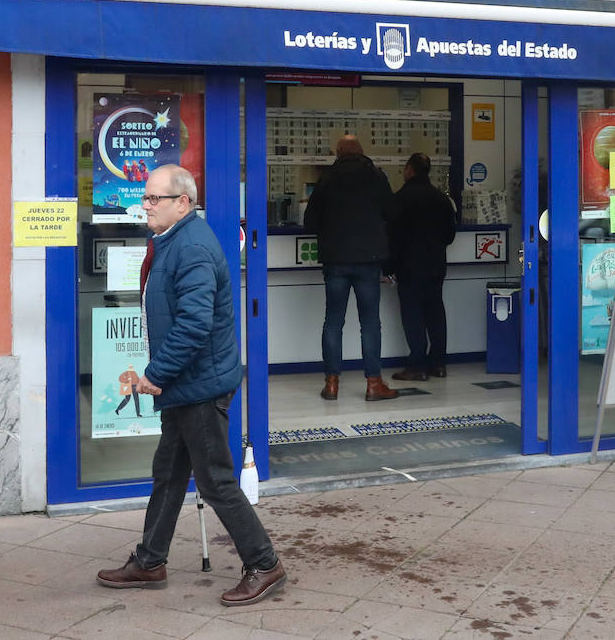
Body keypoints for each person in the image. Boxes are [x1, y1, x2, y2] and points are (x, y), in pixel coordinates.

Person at [96, 165, 286, 607]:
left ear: (183, 202)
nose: (145, 206)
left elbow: (194, 323)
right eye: (145, 198)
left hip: (198, 385)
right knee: (168, 474)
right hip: (186, 385)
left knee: (216, 480)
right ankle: (149, 562)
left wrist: (155, 374)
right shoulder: (172, 241)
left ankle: (264, 563)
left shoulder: (193, 246)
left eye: (153, 199)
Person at [303, 134, 399, 401]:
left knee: (333, 322)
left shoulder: (327, 179)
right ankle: (374, 383)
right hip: (368, 261)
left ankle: (332, 383)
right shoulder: (376, 177)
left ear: (338, 152)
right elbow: (393, 213)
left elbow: (310, 221)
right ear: (362, 151)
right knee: (369, 323)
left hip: (335, 261)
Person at [387, 153, 457, 381]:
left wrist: (388, 267)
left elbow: (392, 237)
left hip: (409, 267)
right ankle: (438, 364)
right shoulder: (442, 199)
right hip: (436, 266)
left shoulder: (400, 199)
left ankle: (417, 365)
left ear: (409, 170)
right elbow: (449, 235)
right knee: (436, 312)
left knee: (413, 315)